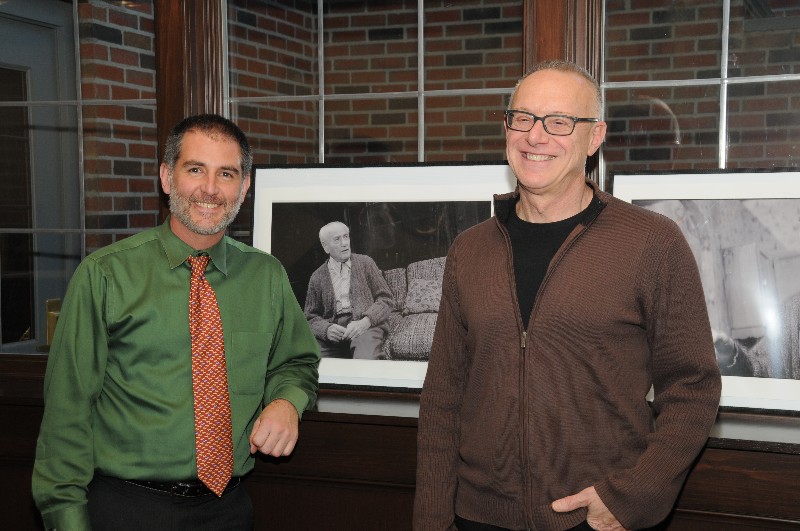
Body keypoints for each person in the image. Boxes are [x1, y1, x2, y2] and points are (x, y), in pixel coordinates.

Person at [413, 60, 722, 531]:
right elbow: (443, 399)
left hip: (594, 518)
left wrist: (629, 497)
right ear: (508, 127)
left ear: (594, 137)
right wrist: (432, 521)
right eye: (523, 118)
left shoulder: (652, 242)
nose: (536, 137)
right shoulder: (469, 250)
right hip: (477, 517)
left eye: (559, 122)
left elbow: (693, 388)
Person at [31, 114, 321, 531]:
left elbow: (297, 363)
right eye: (195, 169)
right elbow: (66, 414)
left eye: (226, 173)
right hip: (124, 509)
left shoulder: (267, 277)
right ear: (167, 178)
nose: (210, 188)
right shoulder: (106, 275)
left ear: (244, 188)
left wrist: (285, 402)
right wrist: (67, 521)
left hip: (227, 510)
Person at [304, 221, 395, 360]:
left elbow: (386, 299)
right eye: (337, 239)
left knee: (365, 360)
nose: (345, 243)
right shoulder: (317, 277)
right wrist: (326, 329)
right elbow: (310, 316)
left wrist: (366, 322)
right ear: (325, 247)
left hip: (364, 325)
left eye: (346, 237)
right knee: (312, 363)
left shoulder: (366, 263)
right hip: (333, 331)